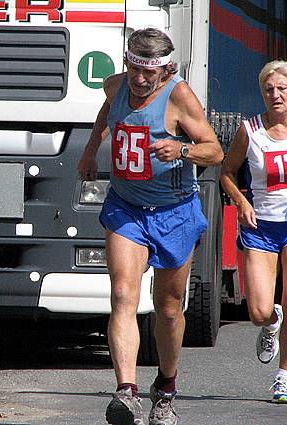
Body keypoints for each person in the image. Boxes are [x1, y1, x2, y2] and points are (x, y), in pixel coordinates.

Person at [78, 28, 223, 425]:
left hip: (175, 211)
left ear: (166, 69)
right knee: (123, 294)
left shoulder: (179, 95)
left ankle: (166, 387)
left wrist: (182, 148)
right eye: (134, 70)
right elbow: (107, 112)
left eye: (149, 74)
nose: (140, 81)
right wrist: (91, 150)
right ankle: (127, 392)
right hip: (127, 207)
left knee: (169, 309)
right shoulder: (115, 85)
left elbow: (215, 150)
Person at [220, 60, 287, 404]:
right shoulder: (250, 130)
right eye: (269, 89)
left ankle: (285, 377)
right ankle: (271, 322)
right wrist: (241, 202)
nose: (275, 95)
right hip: (260, 226)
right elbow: (227, 171)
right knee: (260, 311)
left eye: (282, 88)